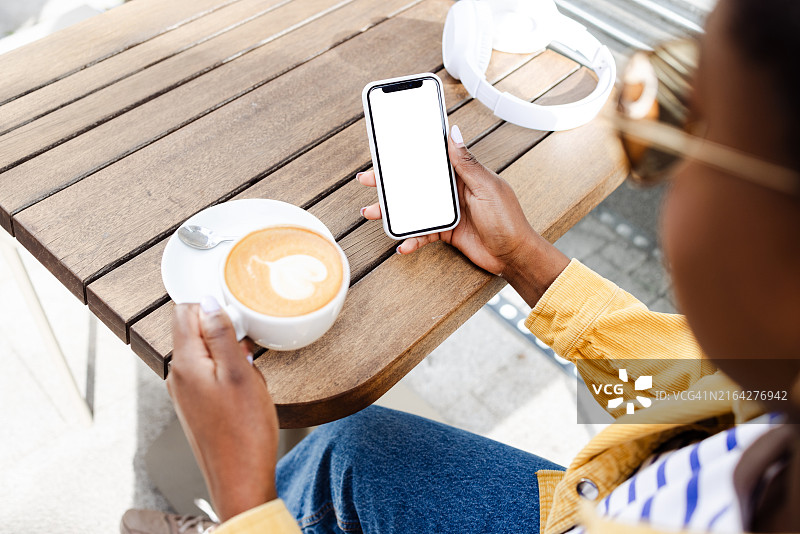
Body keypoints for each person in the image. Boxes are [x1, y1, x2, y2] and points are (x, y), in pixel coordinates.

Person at [121, 0, 800, 532]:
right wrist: (527, 260)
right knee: (354, 449)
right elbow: (725, 394)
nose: (656, 179)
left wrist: (243, 499)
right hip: (603, 503)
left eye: (690, 137)